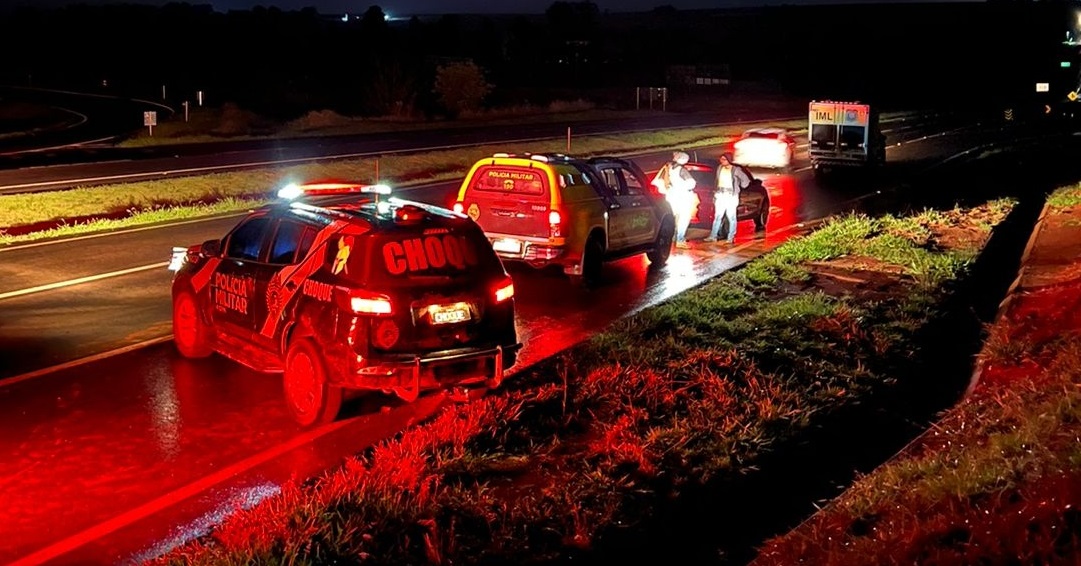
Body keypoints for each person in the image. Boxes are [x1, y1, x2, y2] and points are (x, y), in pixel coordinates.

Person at [652, 151, 697, 248]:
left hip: (671, 196)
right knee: (684, 218)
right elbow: (692, 183)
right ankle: (680, 240)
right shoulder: (682, 170)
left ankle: (672, 237)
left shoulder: (669, 167)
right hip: (682, 197)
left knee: (674, 218)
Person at [706, 152, 751, 245]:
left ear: (729, 160)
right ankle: (713, 236)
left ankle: (731, 237)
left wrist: (739, 188)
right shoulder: (720, 168)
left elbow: (745, 180)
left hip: (731, 196)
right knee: (718, 216)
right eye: (721, 159)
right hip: (720, 194)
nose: (721, 161)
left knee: (731, 217)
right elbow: (716, 180)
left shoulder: (736, 170)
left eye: (724, 159)